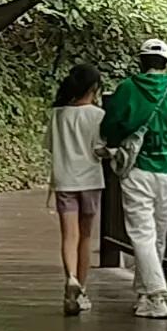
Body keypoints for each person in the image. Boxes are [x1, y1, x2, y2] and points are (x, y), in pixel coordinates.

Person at [102, 38, 167, 318]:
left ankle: (155, 293)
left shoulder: (128, 89)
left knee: (141, 232)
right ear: (166, 63)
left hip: (137, 167)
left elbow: (110, 125)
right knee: (158, 232)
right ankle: (146, 296)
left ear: (141, 62)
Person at [45, 66, 108, 315]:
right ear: (94, 89)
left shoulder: (57, 115)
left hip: (64, 180)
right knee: (85, 236)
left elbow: (49, 146)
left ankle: (69, 278)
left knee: (68, 235)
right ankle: (81, 289)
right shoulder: (98, 115)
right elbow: (99, 148)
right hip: (91, 181)